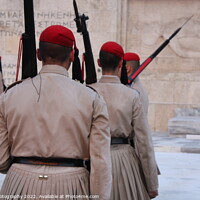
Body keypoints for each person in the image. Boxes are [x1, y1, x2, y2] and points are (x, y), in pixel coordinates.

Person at [0, 25, 112, 200]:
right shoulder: (91, 98)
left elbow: (1, 161)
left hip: (19, 183)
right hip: (71, 184)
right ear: (72, 55)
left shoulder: (9, 96)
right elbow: (100, 162)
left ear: (38, 54)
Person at [90, 41, 159, 200]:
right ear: (121, 63)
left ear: (99, 62)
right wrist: (152, 183)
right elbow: (144, 141)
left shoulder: (87, 91)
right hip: (124, 160)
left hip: (94, 158)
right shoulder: (132, 95)